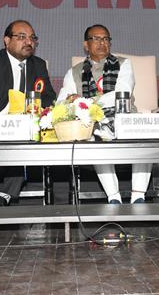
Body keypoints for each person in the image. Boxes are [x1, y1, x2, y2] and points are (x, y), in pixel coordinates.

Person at [57, 24, 148, 204]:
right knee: (94, 136)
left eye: (106, 39)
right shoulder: (73, 72)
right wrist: (74, 102)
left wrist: (84, 101)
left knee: (143, 135)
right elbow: (62, 101)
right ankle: (113, 197)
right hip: (94, 122)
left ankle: (139, 195)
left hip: (125, 117)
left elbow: (122, 94)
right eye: (96, 39)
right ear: (86, 45)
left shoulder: (124, 64)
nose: (102, 43)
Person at [0, 20, 56, 206]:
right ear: (6, 40)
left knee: (29, 132)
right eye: (21, 37)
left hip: (24, 123)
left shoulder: (38, 64)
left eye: (32, 38)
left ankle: (5, 195)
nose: (28, 42)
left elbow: (49, 96)